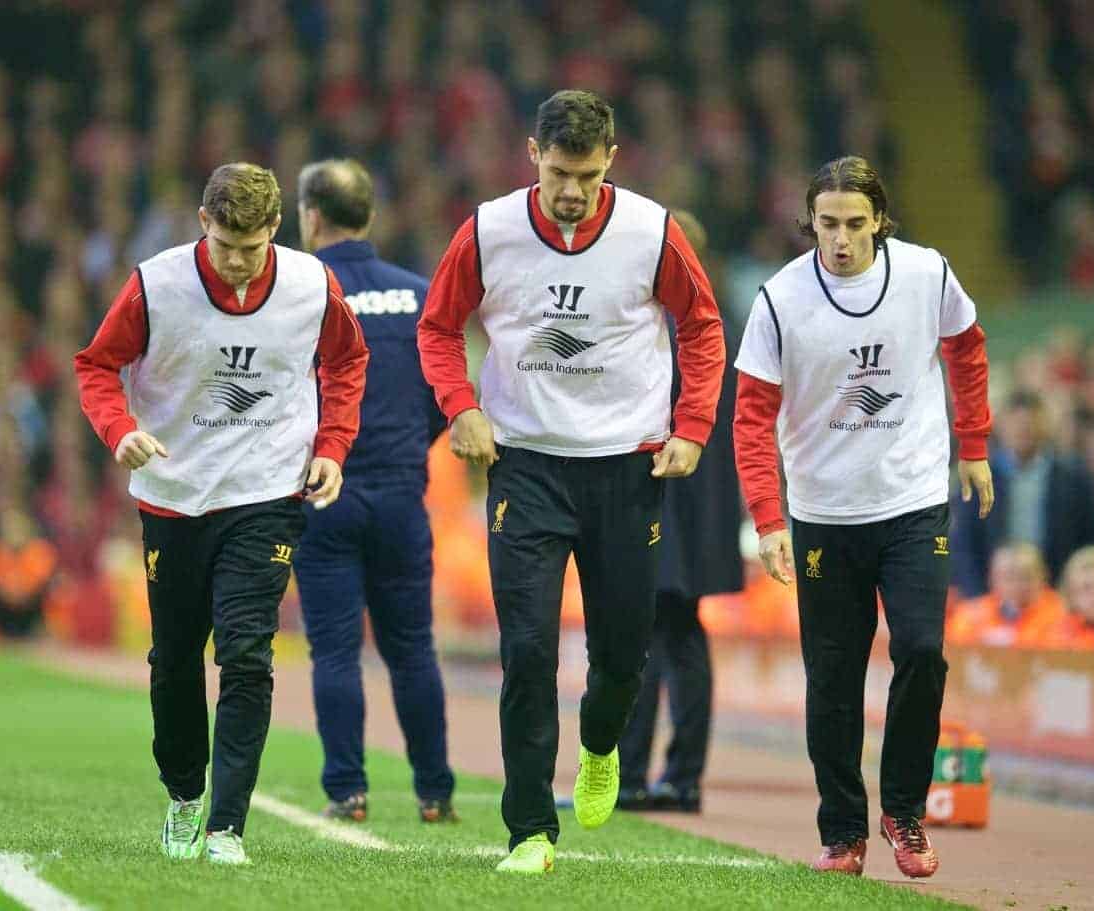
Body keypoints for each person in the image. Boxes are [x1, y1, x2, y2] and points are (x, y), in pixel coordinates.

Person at [417, 90, 725, 874]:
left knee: (623, 653)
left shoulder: (652, 231)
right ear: (532, 154)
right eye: (559, 171)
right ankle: (527, 831)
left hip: (627, 466)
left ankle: (599, 748)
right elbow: (439, 327)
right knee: (526, 650)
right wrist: (460, 408)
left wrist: (692, 427)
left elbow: (703, 325)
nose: (571, 190)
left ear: (611, 160)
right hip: (525, 464)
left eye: (586, 174)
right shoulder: (488, 230)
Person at [74, 162, 369, 866]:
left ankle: (227, 825)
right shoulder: (156, 283)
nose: (237, 262)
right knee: (174, 661)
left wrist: (332, 445)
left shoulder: (310, 284)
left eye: (252, 247)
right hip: (173, 494)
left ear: (275, 229)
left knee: (246, 652)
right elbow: (95, 366)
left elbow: (347, 361)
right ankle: (184, 794)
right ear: (203, 223)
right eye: (225, 245)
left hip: (266, 493)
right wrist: (119, 431)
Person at [733, 156, 993, 879]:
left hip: (912, 500)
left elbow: (966, 349)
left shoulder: (925, 274)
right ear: (809, 222)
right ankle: (843, 830)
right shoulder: (781, 299)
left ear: (879, 218)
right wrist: (768, 516)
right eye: (827, 224)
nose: (841, 239)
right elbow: (751, 416)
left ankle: (904, 811)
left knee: (921, 649)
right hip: (823, 512)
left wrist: (972, 444)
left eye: (854, 223)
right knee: (835, 676)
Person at [293, 158, 456, 824]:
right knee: (413, 647)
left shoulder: (298, 294)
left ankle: (348, 791)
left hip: (323, 491)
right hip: (399, 491)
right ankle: (435, 793)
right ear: (370, 215)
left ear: (310, 216)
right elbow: (449, 393)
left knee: (335, 649)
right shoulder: (420, 295)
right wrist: (411, 445)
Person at [616, 209, 743, 814]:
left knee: (648, 632)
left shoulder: (670, 315)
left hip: (668, 490)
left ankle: (643, 776)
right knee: (680, 631)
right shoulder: (719, 314)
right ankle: (677, 776)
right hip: (704, 494)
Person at [950, 389, 1094, 596]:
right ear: (999, 425)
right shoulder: (978, 478)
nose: (1023, 429)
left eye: (1031, 421)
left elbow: (1091, 539)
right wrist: (977, 596)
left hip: (1060, 593)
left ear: (1045, 424)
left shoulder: (1074, 478)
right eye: (1015, 422)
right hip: (994, 597)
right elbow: (963, 545)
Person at [944, 542, 1065, 648]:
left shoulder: (1062, 612)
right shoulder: (971, 615)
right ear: (992, 578)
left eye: (1026, 576)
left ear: (1044, 575)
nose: (1017, 584)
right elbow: (954, 654)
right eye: (1009, 577)